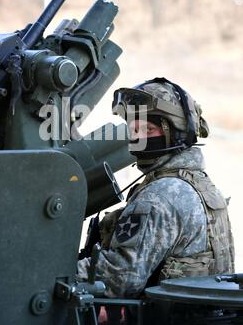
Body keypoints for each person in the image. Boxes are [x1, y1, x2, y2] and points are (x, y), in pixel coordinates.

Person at [77, 77, 235, 299]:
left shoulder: (160, 196)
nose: (137, 138)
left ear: (175, 130)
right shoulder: (199, 184)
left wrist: (56, 274)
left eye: (147, 129)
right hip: (201, 324)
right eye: (133, 129)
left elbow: (119, 278)